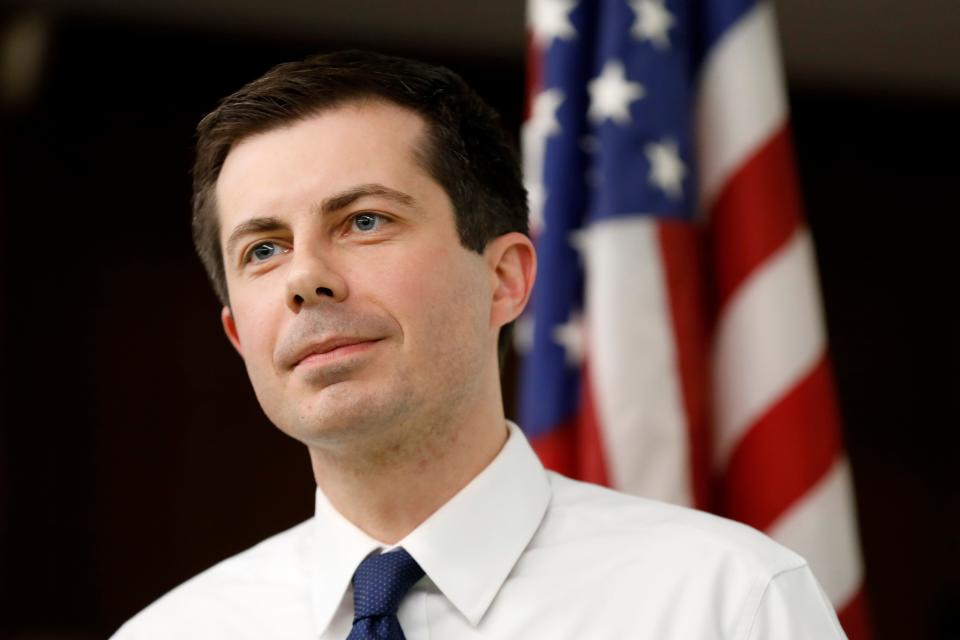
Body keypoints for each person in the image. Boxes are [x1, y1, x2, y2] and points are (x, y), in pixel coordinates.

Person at [112, 50, 847, 639]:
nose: (305, 278)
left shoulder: (730, 605)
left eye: (364, 221)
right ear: (241, 337)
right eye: (264, 250)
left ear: (505, 279)